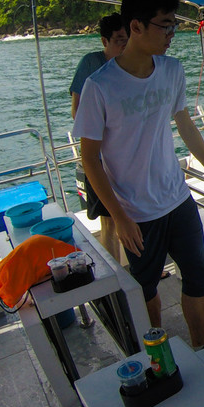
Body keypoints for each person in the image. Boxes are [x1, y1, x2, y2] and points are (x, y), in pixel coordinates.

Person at [73, 0, 204, 366]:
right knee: (146, 285)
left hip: (177, 198)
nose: (171, 35)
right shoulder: (99, 86)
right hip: (136, 211)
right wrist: (119, 217)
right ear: (136, 26)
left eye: (174, 26)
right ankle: (159, 358)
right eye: (165, 26)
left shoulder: (172, 71)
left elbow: (186, 126)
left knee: (198, 276)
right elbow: (90, 158)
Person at [69, 13, 129, 265]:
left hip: (127, 156)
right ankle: (117, 270)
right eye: (118, 41)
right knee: (109, 219)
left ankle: (142, 266)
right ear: (104, 41)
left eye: (127, 40)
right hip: (101, 157)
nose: (123, 46)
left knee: (133, 212)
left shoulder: (131, 65)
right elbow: (77, 109)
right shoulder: (91, 65)